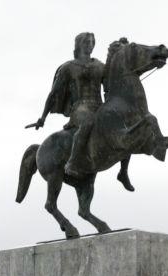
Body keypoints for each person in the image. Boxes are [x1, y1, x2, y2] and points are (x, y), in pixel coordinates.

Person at [27, 31, 105, 176]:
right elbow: (53, 94)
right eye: (86, 42)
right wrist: (43, 118)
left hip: (99, 107)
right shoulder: (68, 68)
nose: (90, 45)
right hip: (80, 109)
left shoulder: (100, 66)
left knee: (121, 122)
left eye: (92, 42)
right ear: (79, 45)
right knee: (88, 122)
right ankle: (73, 162)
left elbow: (116, 78)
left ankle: (123, 171)